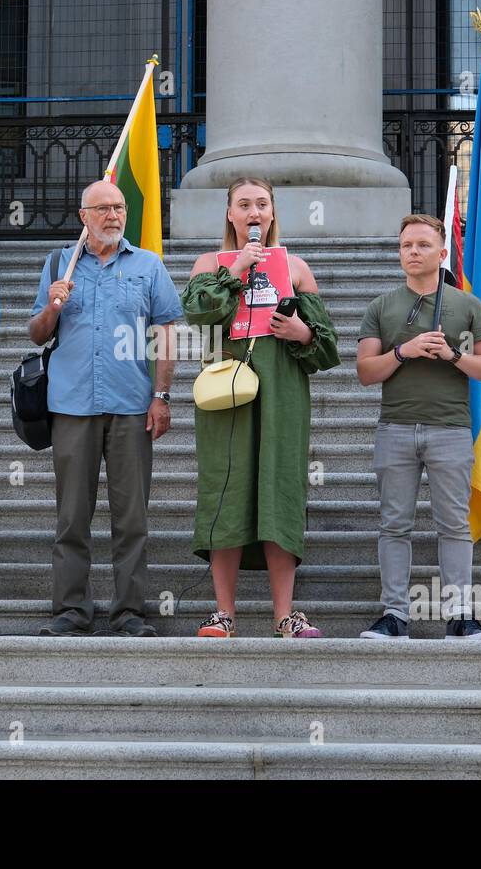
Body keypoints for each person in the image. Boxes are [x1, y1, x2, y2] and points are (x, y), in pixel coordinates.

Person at [181, 177, 340, 639]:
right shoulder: (209, 264)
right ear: (229, 213)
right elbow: (198, 313)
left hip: (282, 392)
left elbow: (328, 349)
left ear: (272, 213)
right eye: (244, 204)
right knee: (226, 488)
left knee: (279, 490)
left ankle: (284, 615)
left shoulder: (295, 267)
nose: (254, 212)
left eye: (262, 204)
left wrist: (303, 334)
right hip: (226, 392)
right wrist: (236, 271)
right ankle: (224, 613)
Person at [28, 180, 183, 636]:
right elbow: (37, 333)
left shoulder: (148, 265)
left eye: (119, 208)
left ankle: (129, 612)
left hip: (132, 405)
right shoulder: (60, 263)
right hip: (71, 405)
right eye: (103, 208)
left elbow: (167, 332)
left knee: (131, 517)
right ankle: (72, 609)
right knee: (72, 516)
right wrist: (53, 306)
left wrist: (162, 395)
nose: (114, 215)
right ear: (84, 216)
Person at [355, 214, 481, 640]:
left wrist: (453, 356)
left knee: (454, 524)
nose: (413, 252)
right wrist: (404, 351)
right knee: (394, 523)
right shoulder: (381, 306)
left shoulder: (467, 305)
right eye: (406, 246)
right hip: (395, 428)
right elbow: (366, 371)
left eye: (422, 245)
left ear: (442, 253)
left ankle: (460, 614)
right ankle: (396, 614)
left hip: (450, 428)